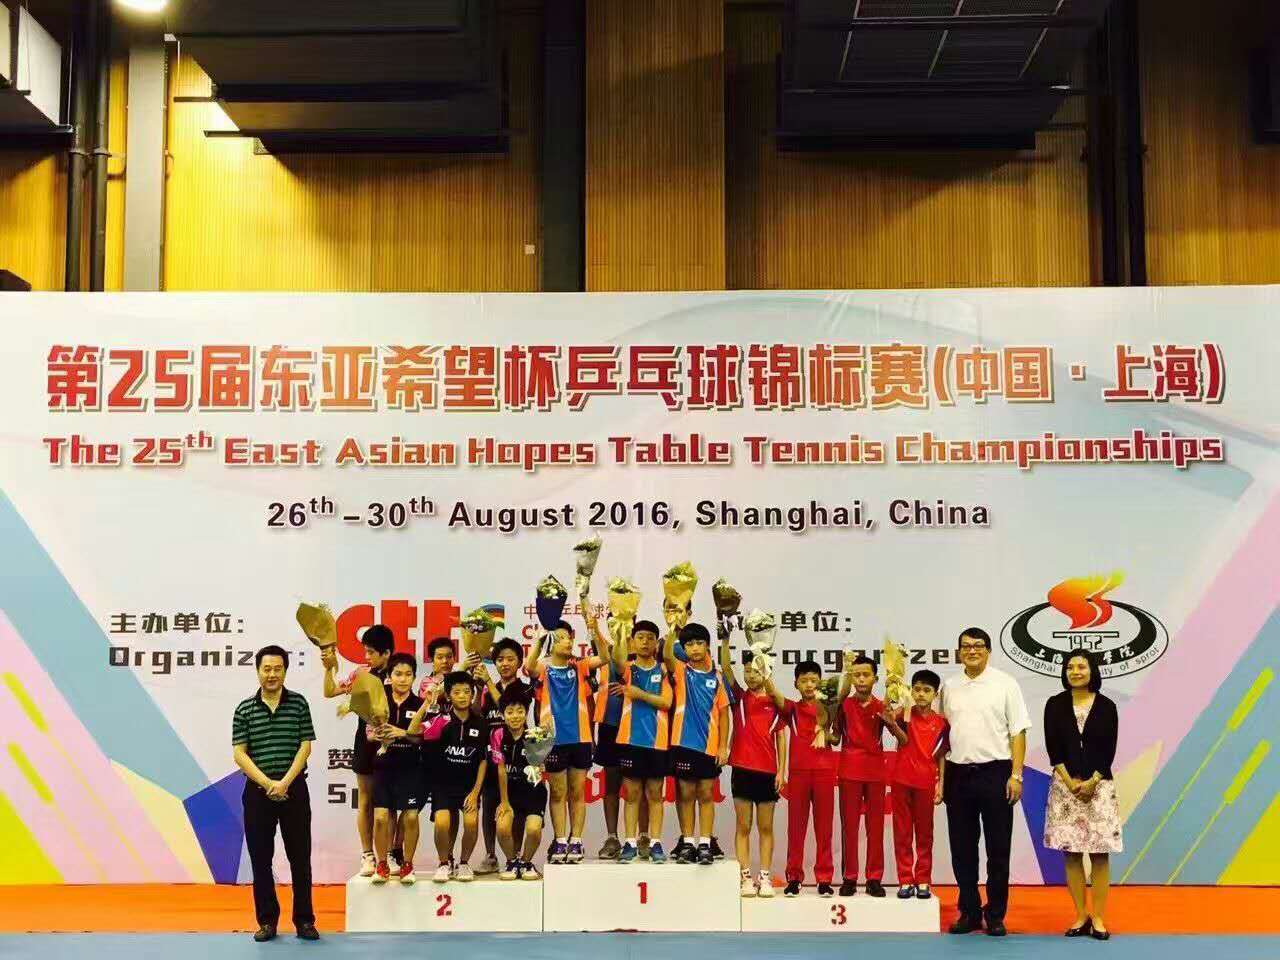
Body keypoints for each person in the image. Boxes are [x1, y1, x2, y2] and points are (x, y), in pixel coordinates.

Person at [940, 627, 1031, 938]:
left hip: (996, 773)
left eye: (978, 645)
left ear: (988, 651)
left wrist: (1016, 775)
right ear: (959, 652)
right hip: (958, 774)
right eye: (966, 646)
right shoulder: (949, 687)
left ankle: (995, 915)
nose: (972, 650)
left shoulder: (1005, 683)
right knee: (962, 849)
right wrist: (940, 779)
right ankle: (969, 911)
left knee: (998, 849)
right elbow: (940, 735)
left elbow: (1018, 732)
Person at [233, 645, 319, 942]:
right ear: (258, 670)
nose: (272, 674)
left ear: (285, 671)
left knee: (300, 858)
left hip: (294, 791)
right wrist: (268, 783)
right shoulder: (244, 709)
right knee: (261, 860)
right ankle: (267, 921)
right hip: (258, 794)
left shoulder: (299, 703)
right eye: (266, 669)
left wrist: (284, 782)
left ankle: (304, 920)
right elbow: (240, 753)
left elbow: (305, 746)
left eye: (277, 669)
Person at [1043, 649, 1121, 941]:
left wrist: (1092, 781)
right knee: (1072, 854)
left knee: (1099, 855)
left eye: (1081, 667)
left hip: (1098, 788)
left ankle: (1098, 917)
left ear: (1092, 671)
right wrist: (1070, 781)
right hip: (1065, 789)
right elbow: (1053, 748)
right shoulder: (1054, 704)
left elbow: (1109, 748)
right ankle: (1080, 914)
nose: (1075, 672)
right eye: (1070, 667)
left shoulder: (1107, 706)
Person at [524, 619, 608, 863]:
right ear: (551, 643)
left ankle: (576, 841)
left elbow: (605, 657)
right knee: (558, 792)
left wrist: (594, 629)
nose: (568, 641)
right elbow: (529, 667)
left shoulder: (580, 666)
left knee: (577, 792)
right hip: (551, 740)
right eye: (561, 637)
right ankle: (561, 840)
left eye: (569, 637)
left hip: (580, 738)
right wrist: (539, 640)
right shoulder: (544, 668)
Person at [322, 623, 394, 878]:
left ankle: (390, 854)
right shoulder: (360, 674)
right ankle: (367, 854)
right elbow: (330, 691)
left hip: (393, 745)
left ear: (386, 653)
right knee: (365, 798)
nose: (367, 657)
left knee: (389, 802)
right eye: (365, 651)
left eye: (371, 652)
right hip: (365, 744)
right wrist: (328, 668)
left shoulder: (399, 674)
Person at [719, 631, 786, 898]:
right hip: (742, 770)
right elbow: (726, 668)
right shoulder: (738, 698)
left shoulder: (776, 702)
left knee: (766, 828)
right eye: (747, 671)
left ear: (766, 672)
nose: (751, 675)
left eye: (756, 671)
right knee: (743, 826)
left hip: (767, 772)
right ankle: (745, 876)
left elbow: (781, 738)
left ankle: (765, 877)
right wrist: (725, 639)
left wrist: (781, 770)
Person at [409, 670, 490, 882]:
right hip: (443, 785)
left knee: (471, 822)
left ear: (472, 694)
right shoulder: (440, 721)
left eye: (467, 691)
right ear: (448, 695)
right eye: (457, 692)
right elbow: (412, 731)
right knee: (442, 823)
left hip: (468, 787)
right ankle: (444, 863)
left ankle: (464, 863)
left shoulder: (481, 724)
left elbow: (483, 760)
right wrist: (427, 704)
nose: (462, 696)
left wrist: (475, 792)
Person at [665, 621, 732, 865]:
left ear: (707, 646)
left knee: (705, 793)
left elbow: (724, 713)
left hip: (709, 745)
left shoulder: (718, 677)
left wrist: (723, 746)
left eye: (699, 643)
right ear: (684, 649)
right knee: (685, 794)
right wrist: (672, 629)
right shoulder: (681, 671)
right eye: (689, 644)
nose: (694, 648)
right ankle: (687, 842)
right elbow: (666, 654)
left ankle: (704, 843)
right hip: (683, 743)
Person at [613, 618, 673, 864]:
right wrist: (619, 632)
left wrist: (639, 694)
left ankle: (655, 843)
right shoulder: (627, 669)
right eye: (640, 637)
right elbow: (617, 659)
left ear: (656, 643)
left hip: (657, 742)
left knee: (655, 794)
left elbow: (666, 702)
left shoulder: (664, 670)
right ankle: (629, 843)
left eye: (650, 638)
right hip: (630, 740)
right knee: (632, 794)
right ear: (632, 642)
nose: (645, 642)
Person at [885, 669, 947, 900]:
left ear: (935, 694)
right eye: (917, 689)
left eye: (926, 690)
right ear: (911, 691)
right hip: (901, 780)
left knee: (924, 834)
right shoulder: (904, 714)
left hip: (926, 783)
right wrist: (891, 686)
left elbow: (941, 756)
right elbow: (885, 714)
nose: (921, 694)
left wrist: (941, 785)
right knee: (902, 833)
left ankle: (923, 879)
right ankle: (905, 879)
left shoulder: (941, 723)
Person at [474, 638, 533, 876]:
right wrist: (479, 687)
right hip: (490, 754)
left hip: (517, 755)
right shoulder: (487, 688)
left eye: (510, 659)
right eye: (500, 659)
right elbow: (477, 713)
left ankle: (515, 855)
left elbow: (507, 707)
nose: (505, 663)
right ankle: (490, 855)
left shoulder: (524, 689)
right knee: (489, 805)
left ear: (519, 662)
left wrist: (488, 682)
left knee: (516, 808)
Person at [783, 659, 839, 897]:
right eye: (804, 680)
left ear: (821, 683)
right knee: (796, 829)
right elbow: (773, 695)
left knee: (824, 829)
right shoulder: (791, 709)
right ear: (796, 683)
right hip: (798, 774)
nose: (809, 685)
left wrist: (826, 731)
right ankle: (794, 877)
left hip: (825, 773)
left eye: (813, 681)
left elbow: (836, 738)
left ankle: (824, 878)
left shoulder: (830, 708)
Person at [368, 652, 425, 884]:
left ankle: (407, 865)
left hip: (410, 769)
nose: (403, 679)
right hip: (383, 768)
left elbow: (425, 736)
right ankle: (382, 864)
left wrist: (403, 733)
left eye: (408, 674)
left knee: (410, 817)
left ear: (414, 677)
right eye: (398, 674)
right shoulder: (378, 702)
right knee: (381, 817)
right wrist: (377, 735)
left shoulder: (421, 705)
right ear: (389, 676)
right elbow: (368, 734)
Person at [835, 654, 888, 897]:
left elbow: (901, 734)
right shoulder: (842, 705)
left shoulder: (883, 706)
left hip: (876, 771)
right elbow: (835, 736)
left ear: (875, 678)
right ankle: (849, 877)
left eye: (866, 674)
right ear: (851, 678)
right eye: (856, 675)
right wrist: (822, 727)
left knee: (875, 828)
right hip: (849, 770)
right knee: (850, 827)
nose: (861, 679)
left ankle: (874, 878)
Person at [491, 684, 549, 881]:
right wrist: (504, 802)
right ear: (503, 714)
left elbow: (537, 772)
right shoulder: (497, 735)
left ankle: (526, 862)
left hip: (533, 792)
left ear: (526, 713)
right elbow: (501, 769)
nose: (515, 716)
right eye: (510, 712)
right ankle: (512, 862)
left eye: (520, 711)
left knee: (533, 829)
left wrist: (539, 767)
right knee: (502, 828)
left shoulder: (536, 735)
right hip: (509, 793)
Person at [584, 607, 626, 860]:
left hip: (640, 729)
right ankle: (612, 837)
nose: (617, 628)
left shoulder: (644, 650)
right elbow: (586, 697)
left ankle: (641, 839)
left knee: (641, 787)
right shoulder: (602, 654)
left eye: (622, 622)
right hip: (609, 726)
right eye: (612, 624)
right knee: (612, 785)